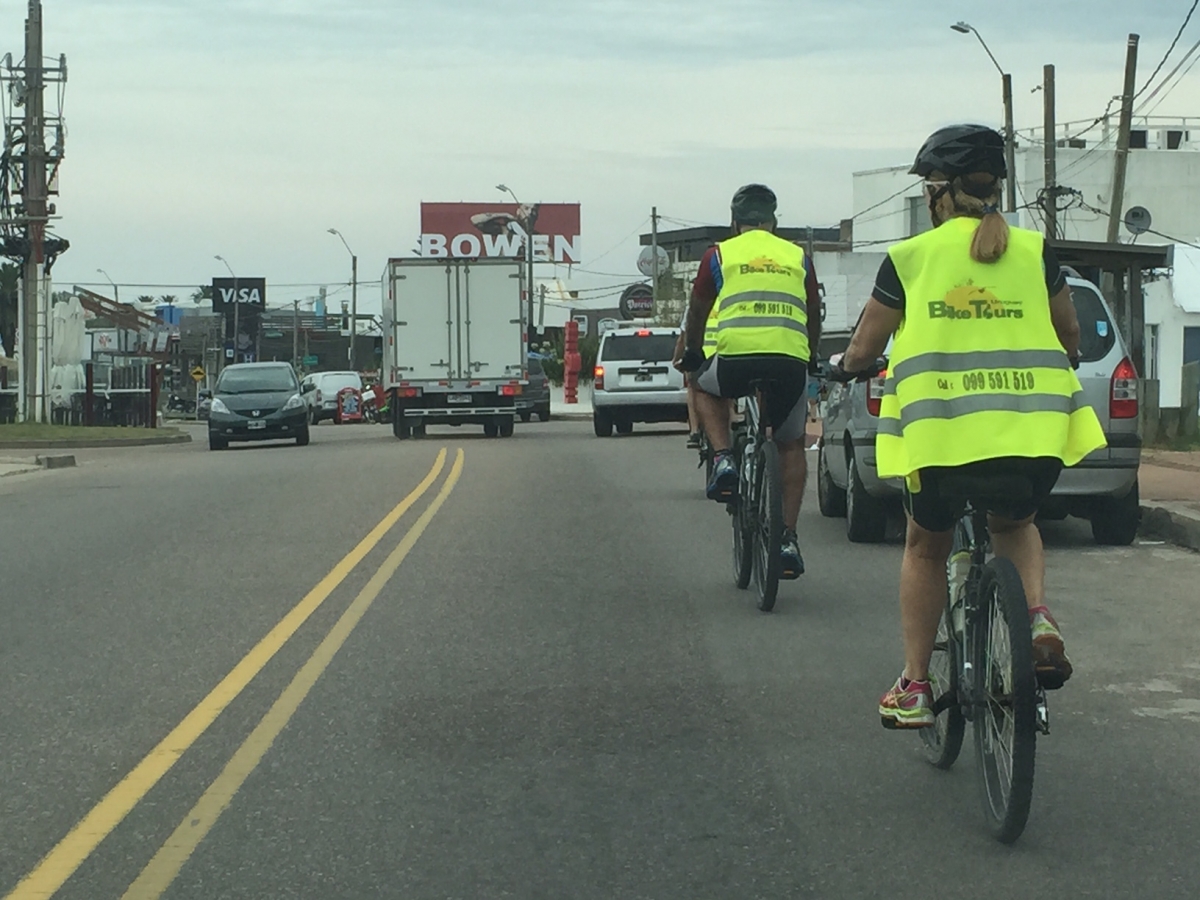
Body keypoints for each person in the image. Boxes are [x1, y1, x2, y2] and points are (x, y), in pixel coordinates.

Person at [835, 124, 1106, 729]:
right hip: (1034, 438)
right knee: (1016, 523)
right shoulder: (1034, 251)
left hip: (943, 440)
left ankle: (915, 686)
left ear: (939, 191)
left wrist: (846, 367)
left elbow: (865, 345)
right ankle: (1036, 617)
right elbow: (1069, 336)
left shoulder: (911, 257)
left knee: (925, 547)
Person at [678, 184, 822, 578]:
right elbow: (813, 312)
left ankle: (724, 457)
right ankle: (787, 538)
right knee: (790, 444)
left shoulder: (719, 255)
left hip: (736, 360)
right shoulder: (799, 258)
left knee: (702, 384)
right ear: (773, 222)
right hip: (789, 362)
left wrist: (693, 351)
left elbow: (698, 310)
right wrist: (811, 354)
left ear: (734, 221)